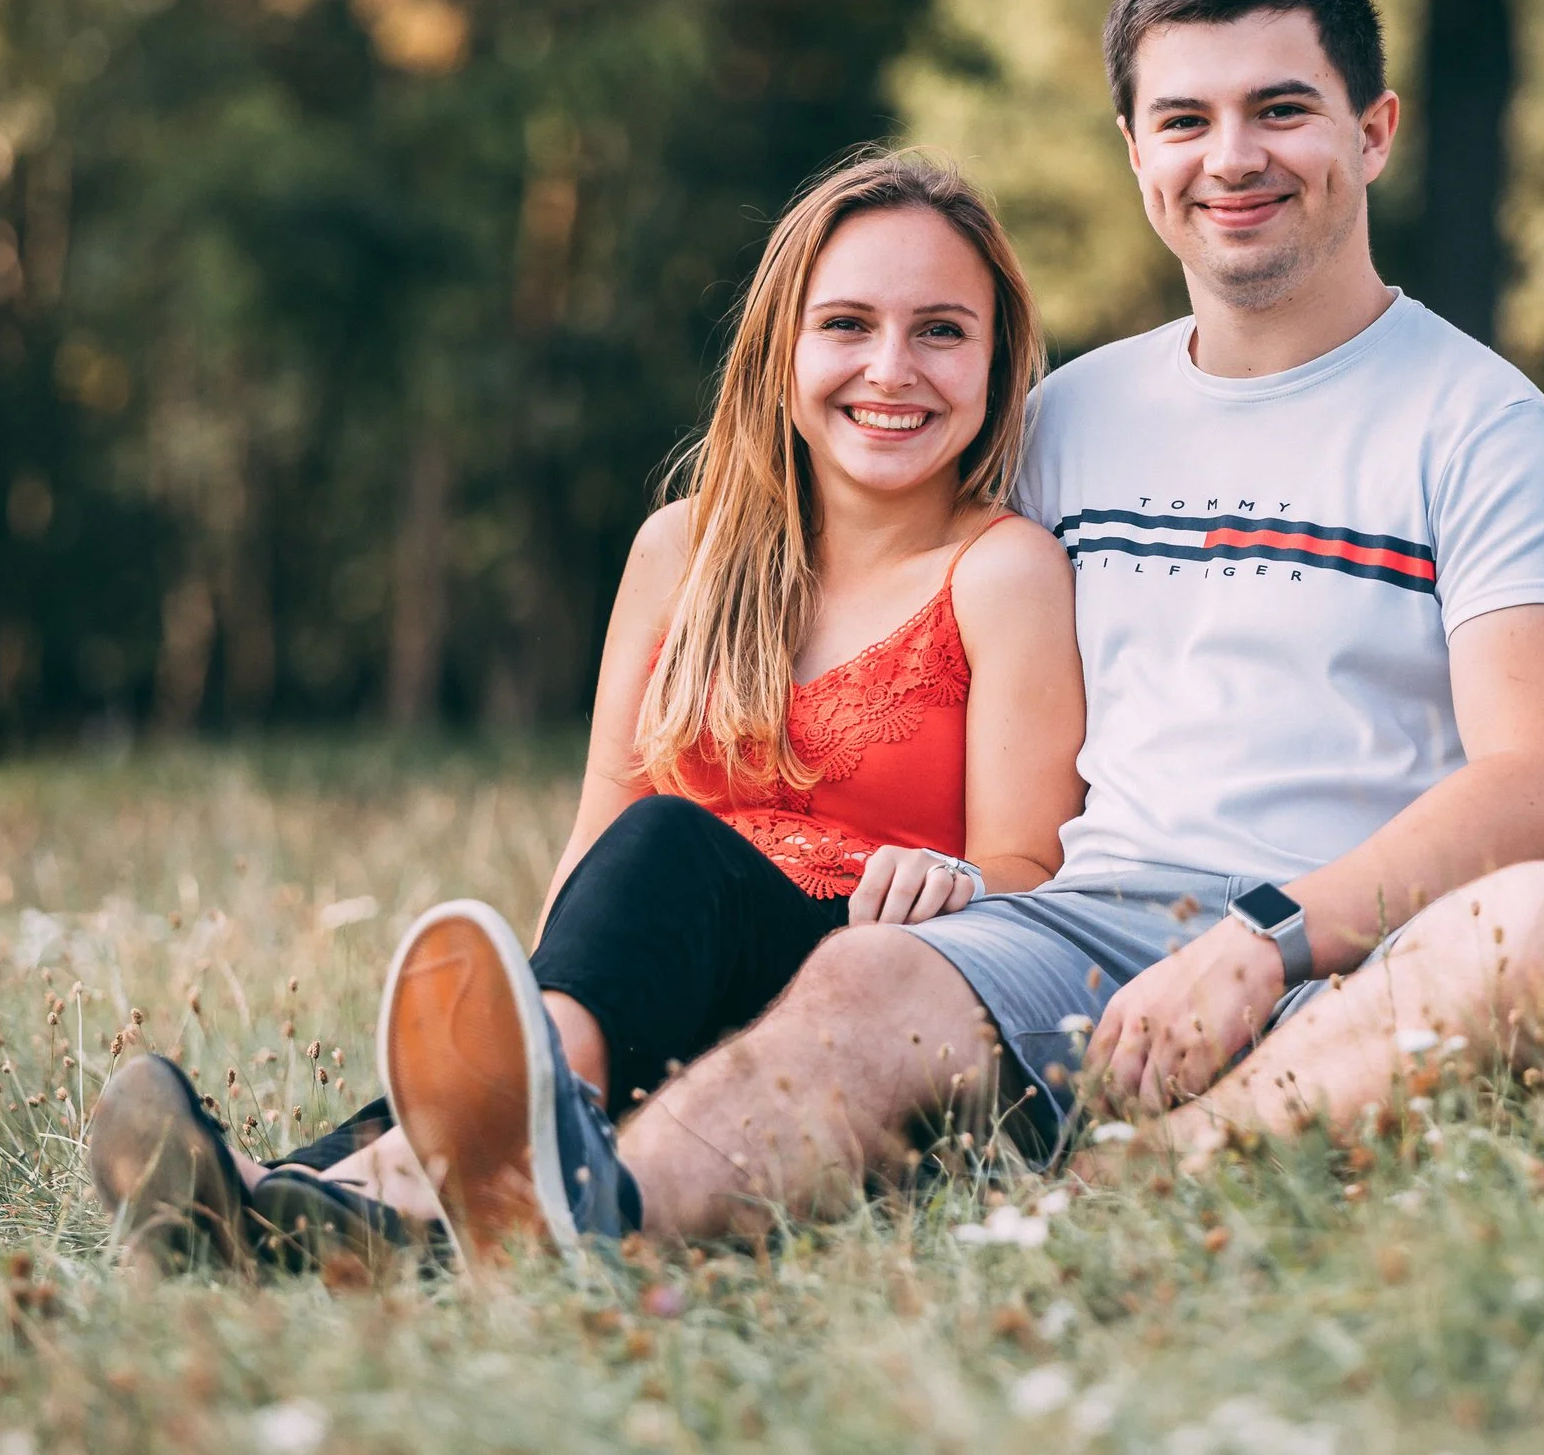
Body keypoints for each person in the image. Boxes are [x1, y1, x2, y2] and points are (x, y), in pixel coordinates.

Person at [368, 0, 1544, 1256]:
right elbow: (872, 582)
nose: (1233, 158)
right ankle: (605, 1230)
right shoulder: (1064, 421)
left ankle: (1146, 1178)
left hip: (1353, 949)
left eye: (1282, 110)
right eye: (1185, 118)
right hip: (1073, 931)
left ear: (1373, 130)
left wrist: (1266, 940)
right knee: (861, 979)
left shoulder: (1483, 426)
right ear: (1135, 151)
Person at [84, 152, 1084, 1270]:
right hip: (660, 987)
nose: (891, 368)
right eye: (847, 323)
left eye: (941, 330)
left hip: (849, 982)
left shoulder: (1004, 572)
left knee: (664, 845)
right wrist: (539, 997)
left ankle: (371, 1180)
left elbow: (1033, 861)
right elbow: (597, 827)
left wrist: (957, 879)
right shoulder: (682, 552)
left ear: (998, 363)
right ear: (781, 351)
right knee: (634, 870)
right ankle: (310, 1204)